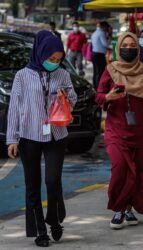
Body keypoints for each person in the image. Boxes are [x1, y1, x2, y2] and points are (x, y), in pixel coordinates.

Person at [6, 31, 77, 247]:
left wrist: (65, 98)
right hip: (30, 135)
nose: (54, 63)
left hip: (56, 134)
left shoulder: (63, 74)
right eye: (51, 59)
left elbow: (72, 99)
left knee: (52, 180)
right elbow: (14, 108)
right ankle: (39, 230)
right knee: (33, 184)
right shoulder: (22, 76)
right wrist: (12, 138)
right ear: (40, 53)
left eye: (58, 60)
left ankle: (54, 219)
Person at [95, 32, 143, 230]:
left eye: (132, 45)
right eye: (124, 44)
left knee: (138, 173)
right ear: (119, 47)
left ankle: (127, 209)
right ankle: (118, 208)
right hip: (115, 130)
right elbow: (98, 96)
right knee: (120, 169)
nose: (129, 48)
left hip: (139, 132)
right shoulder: (110, 70)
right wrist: (108, 97)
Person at [91, 21, 110, 89]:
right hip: (99, 55)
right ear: (103, 26)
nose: (107, 28)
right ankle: (99, 87)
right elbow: (105, 44)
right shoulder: (101, 33)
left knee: (96, 72)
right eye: (106, 27)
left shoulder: (95, 33)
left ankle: (95, 86)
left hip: (94, 54)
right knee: (100, 72)